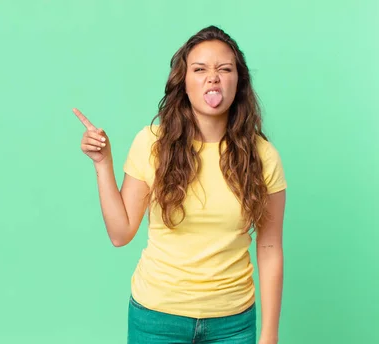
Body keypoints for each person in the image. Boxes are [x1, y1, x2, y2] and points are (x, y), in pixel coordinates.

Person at [73, 25, 286, 344]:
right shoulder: (151, 144)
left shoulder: (262, 155)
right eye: (200, 69)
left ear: (238, 82)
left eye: (224, 69)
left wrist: (269, 335)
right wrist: (103, 164)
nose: (213, 77)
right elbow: (121, 234)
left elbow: (269, 247)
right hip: (157, 318)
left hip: (233, 324)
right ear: (183, 83)